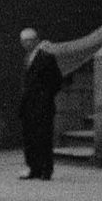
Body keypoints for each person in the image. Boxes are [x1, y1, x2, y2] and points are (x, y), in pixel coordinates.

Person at [19, 29, 64, 181]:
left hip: (42, 105)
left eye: (30, 40)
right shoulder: (27, 58)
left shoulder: (46, 57)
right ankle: (34, 167)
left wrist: (45, 97)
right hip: (29, 105)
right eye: (24, 41)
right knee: (30, 138)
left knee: (43, 137)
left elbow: (57, 80)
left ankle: (46, 169)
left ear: (36, 40)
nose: (27, 43)